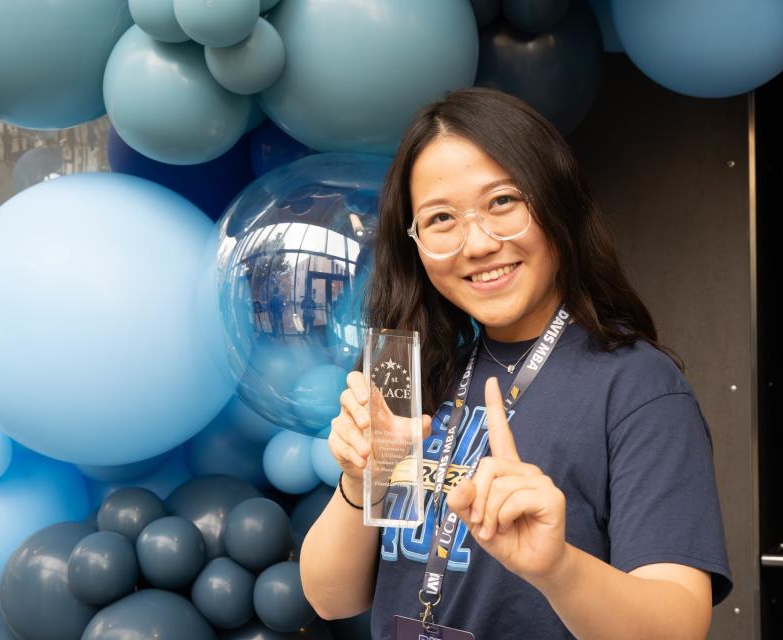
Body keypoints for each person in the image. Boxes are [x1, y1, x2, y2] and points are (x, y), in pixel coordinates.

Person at [301, 87, 733, 639]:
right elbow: (330, 597)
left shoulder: (638, 387)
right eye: (440, 218)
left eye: (503, 201)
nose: (478, 244)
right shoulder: (419, 373)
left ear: (557, 201)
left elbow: (678, 626)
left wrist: (558, 568)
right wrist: (361, 479)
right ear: (414, 242)